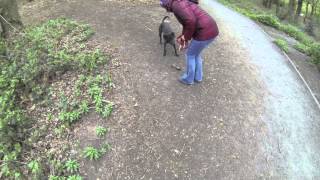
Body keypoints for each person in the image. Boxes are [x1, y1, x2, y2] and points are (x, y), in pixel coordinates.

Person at [160, 0, 219, 85]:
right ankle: (198, 77)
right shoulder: (179, 2)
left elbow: (191, 21)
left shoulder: (177, 5)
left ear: (166, 3)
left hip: (204, 32)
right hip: (212, 30)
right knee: (196, 54)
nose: (166, 10)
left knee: (190, 55)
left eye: (164, 7)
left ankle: (188, 79)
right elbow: (186, 23)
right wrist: (184, 37)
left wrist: (186, 37)